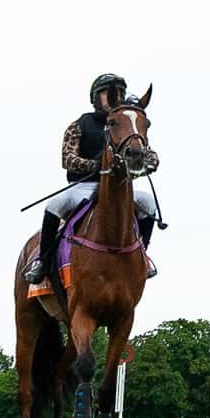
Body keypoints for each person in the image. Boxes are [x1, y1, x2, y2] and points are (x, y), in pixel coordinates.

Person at [23, 74, 160, 289]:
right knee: (53, 206)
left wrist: (147, 162)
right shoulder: (80, 125)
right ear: (95, 97)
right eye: (107, 92)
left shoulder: (127, 121)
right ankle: (42, 261)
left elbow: (146, 153)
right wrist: (92, 165)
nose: (114, 97)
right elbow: (67, 159)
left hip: (119, 189)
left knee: (149, 203)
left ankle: (142, 255)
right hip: (84, 187)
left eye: (119, 93)